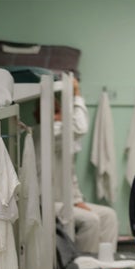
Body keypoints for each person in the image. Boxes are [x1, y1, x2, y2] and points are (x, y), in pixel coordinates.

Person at [41, 78, 119, 255]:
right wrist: (76, 93)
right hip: (45, 204)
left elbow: (69, 175)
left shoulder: (62, 140)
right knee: (91, 221)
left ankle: (104, 267)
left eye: (59, 110)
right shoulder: (46, 134)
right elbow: (79, 126)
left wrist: (77, 200)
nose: (59, 115)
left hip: (65, 201)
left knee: (109, 216)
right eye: (56, 111)